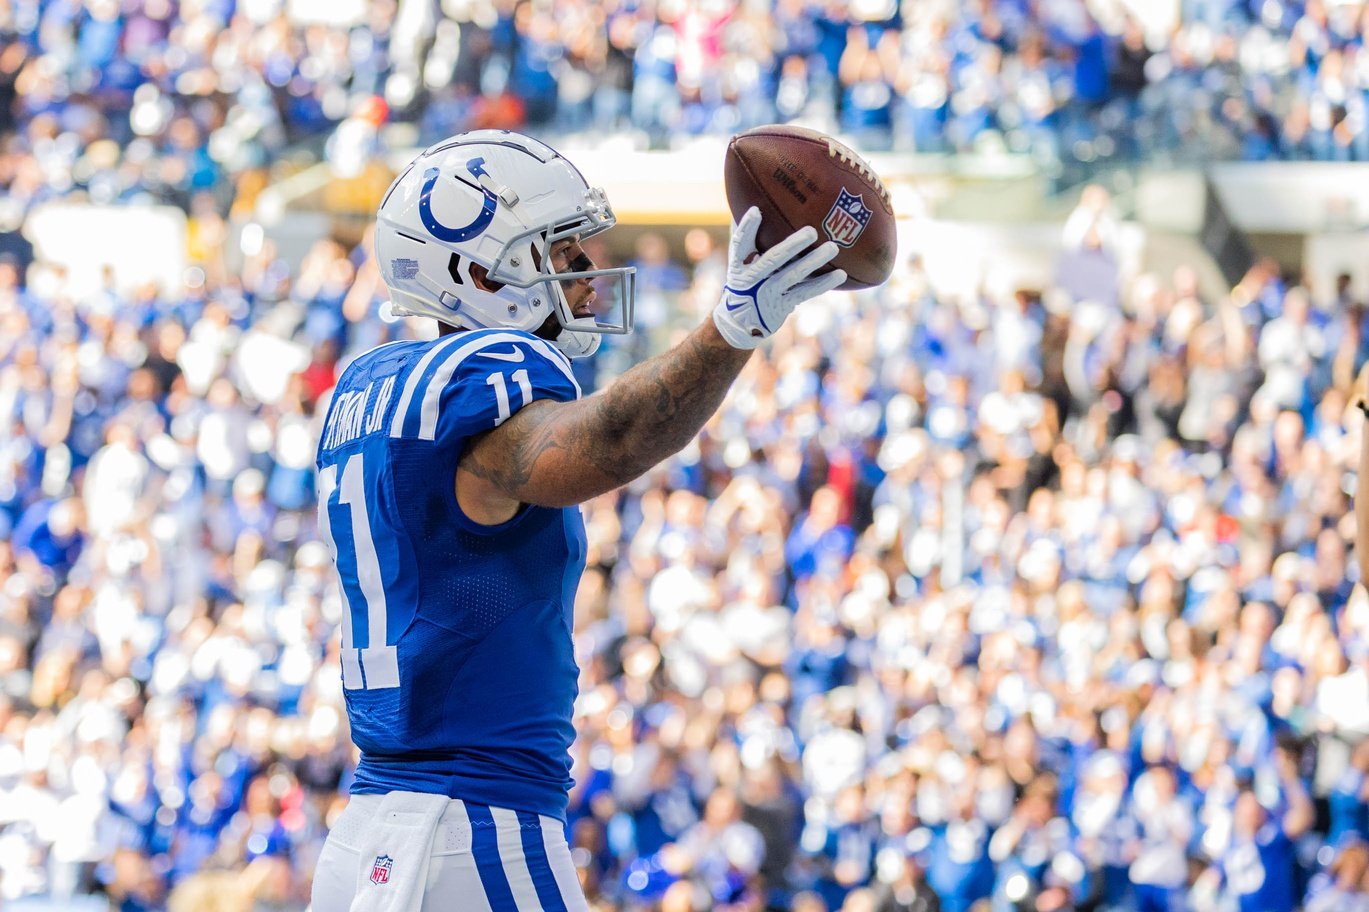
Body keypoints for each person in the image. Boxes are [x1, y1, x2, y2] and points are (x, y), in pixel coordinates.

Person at [308, 129, 848, 911]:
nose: (588, 272)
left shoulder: (371, 388)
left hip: (374, 831)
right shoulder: (478, 383)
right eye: (559, 255)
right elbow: (604, 444)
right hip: (473, 823)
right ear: (473, 272)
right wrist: (731, 330)